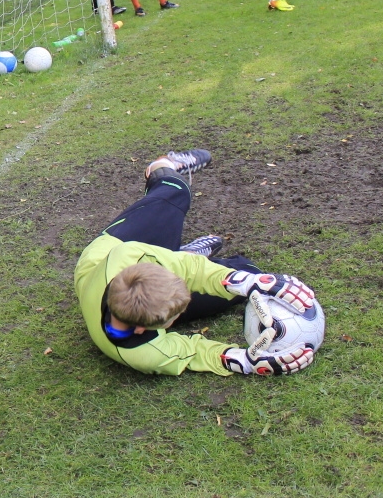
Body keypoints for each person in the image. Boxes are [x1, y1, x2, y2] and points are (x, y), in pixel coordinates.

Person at [74, 148, 318, 377]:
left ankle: (162, 166)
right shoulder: (143, 354)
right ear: (146, 328)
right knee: (248, 267)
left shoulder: (127, 256)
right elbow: (193, 352)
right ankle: (182, 253)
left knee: (176, 191)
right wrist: (244, 361)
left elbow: (188, 270)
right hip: (147, 266)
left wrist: (248, 283)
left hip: (108, 249)